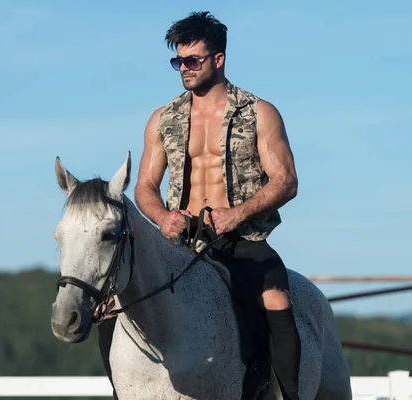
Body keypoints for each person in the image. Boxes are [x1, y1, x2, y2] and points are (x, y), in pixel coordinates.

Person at [132, 11, 302, 400]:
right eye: (178, 61)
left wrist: (237, 213)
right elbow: (144, 186)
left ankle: (286, 395)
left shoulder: (258, 112)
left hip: (241, 237)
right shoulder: (162, 119)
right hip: (181, 242)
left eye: (193, 60)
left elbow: (287, 181)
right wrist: (162, 217)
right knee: (116, 299)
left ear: (219, 59)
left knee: (276, 298)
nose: (184, 69)